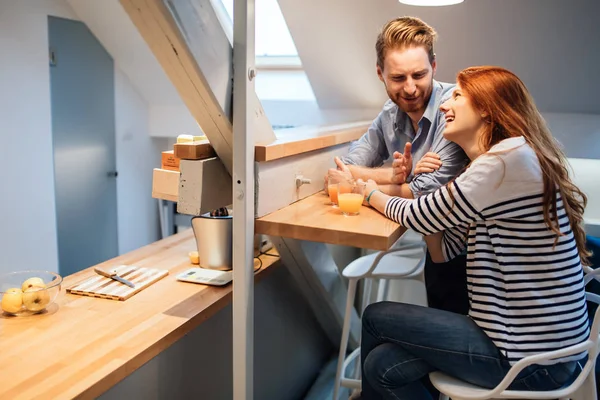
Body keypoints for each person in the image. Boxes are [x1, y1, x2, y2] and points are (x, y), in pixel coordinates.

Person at [357, 65, 591, 399]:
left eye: (457, 96)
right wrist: (426, 194)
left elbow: (420, 217)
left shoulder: (504, 161)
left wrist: (370, 194)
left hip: (529, 359)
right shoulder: (507, 160)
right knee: (382, 364)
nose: (442, 105)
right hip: (537, 347)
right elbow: (443, 250)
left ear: (485, 107)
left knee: (375, 316)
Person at [327, 16, 471, 315]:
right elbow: (345, 169)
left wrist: (365, 184)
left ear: (434, 66)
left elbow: (426, 192)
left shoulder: (455, 108)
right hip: (435, 246)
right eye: (397, 78)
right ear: (380, 73)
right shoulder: (390, 113)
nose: (409, 89)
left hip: (474, 256)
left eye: (419, 75)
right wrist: (391, 176)